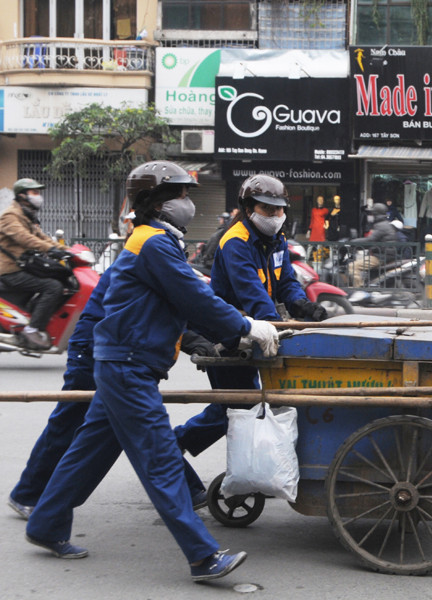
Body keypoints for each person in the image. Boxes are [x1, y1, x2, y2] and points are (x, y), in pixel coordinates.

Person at [25, 161, 281, 582]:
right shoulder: (153, 244)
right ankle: (202, 556)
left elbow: (186, 301)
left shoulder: (154, 241)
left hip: (122, 361)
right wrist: (246, 326)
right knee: (161, 460)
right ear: (156, 202)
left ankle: (46, 523)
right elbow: (194, 298)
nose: (187, 204)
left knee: (90, 450)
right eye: (180, 196)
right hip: (128, 365)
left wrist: (232, 329)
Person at [7, 270, 213, 519]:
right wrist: (199, 336)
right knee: (73, 424)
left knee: (140, 425)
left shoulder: (157, 251)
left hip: (119, 355)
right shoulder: (144, 254)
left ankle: (187, 491)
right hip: (99, 352)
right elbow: (147, 310)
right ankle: (29, 495)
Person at [174, 174, 327, 459]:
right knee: (237, 405)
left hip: (257, 328)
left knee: (246, 404)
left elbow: (285, 282)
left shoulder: (277, 239)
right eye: (268, 209)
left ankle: (251, 466)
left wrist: (302, 305)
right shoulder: (235, 242)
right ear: (248, 209)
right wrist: (276, 326)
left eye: (279, 209)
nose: (275, 215)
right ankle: (176, 443)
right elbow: (252, 292)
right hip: (228, 334)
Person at [0, 178, 72, 349]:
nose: (38, 197)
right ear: (22, 195)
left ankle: (33, 318)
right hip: (10, 271)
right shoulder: (10, 216)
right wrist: (50, 249)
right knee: (52, 286)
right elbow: (25, 238)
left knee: (59, 281)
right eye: (34, 193)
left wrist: (68, 250)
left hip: (22, 267)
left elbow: (42, 237)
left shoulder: (26, 215)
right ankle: (33, 329)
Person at [349, 203, 398, 287]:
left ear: (376, 214)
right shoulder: (385, 224)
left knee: (353, 266)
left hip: (381, 256)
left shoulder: (381, 226)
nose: (370, 216)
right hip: (384, 255)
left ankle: (359, 290)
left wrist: (353, 242)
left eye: (372, 214)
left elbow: (370, 240)